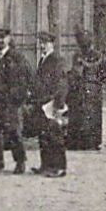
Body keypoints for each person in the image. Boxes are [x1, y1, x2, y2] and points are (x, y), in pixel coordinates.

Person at [0, 25, 33, 173]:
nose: (0, 41)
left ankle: (20, 162)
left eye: (3, 38)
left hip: (10, 102)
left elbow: (25, 79)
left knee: (13, 132)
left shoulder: (16, 57)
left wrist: (16, 99)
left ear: (9, 39)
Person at [31, 31, 70, 177]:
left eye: (45, 43)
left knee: (55, 136)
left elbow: (62, 84)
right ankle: (45, 165)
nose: (42, 45)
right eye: (40, 42)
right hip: (43, 102)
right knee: (44, 135)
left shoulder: (56, 59)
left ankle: (59, 167)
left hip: (52, 103)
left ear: (51, 44)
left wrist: (58, 104)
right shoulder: (43, 59)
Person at [67, 28, 104, 151]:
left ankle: (86, 142)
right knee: (86, 115)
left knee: (86, 115)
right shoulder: (83, 55)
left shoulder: (88, 55)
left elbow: (79, 71)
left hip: (87, 88)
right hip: (88, 88)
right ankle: (86, 141)